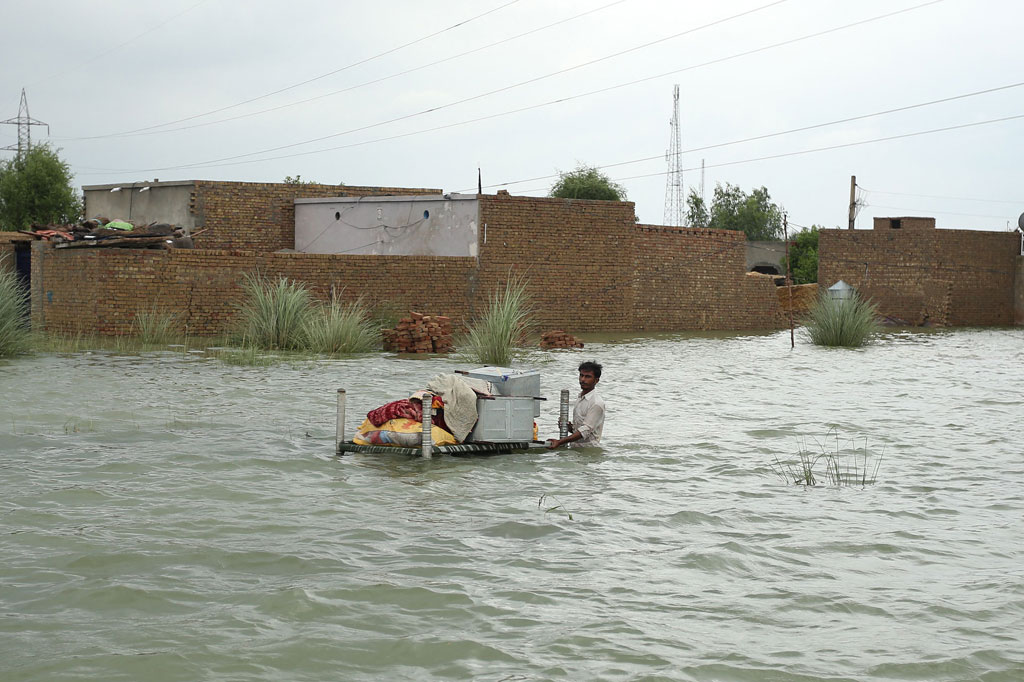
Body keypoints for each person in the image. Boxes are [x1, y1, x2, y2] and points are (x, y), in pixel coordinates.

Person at [547, 361, 605, 449]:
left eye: (587, 376)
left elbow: (585, 431)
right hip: (576, 448)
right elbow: (579, 429)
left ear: (596, 380)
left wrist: (559, 442)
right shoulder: (580, 398)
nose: (583, 379)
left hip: (588, 450)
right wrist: (569, 427)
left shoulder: (596, 403)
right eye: (581, 375)